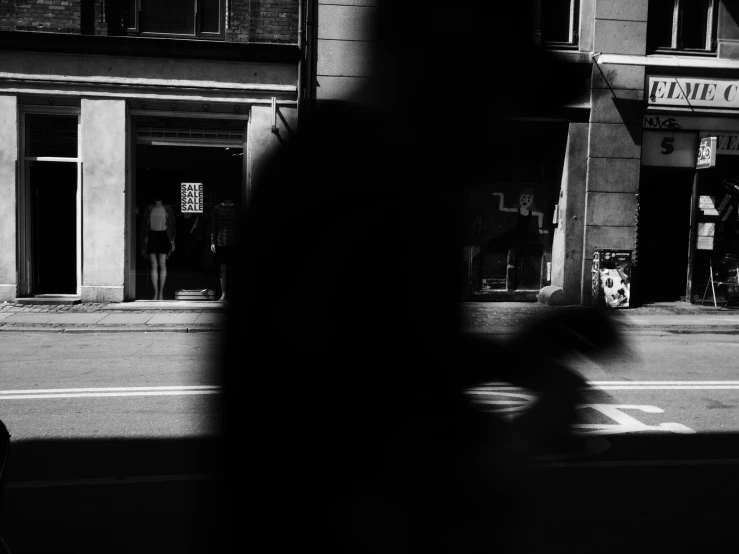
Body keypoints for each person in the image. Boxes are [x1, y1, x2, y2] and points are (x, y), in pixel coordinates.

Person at [140, 191, 176, 300]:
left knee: (162, 264)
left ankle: (161, 293)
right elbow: (144, 225)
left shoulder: (167, 208)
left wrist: (172, 240)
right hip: (152, 235)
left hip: (163, 235)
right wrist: (143, 242)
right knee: (154, 265)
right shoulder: (149, 208)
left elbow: (172, 224)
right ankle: (156, 293)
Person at [209, 199, 241, 302]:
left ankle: (228, 294)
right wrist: (213, 241)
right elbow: (213, 226)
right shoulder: (217, 209)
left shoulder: (236, 209)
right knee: (223, 268)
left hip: (233, 240)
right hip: (222, 241)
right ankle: (224, 294)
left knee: (230, 268)